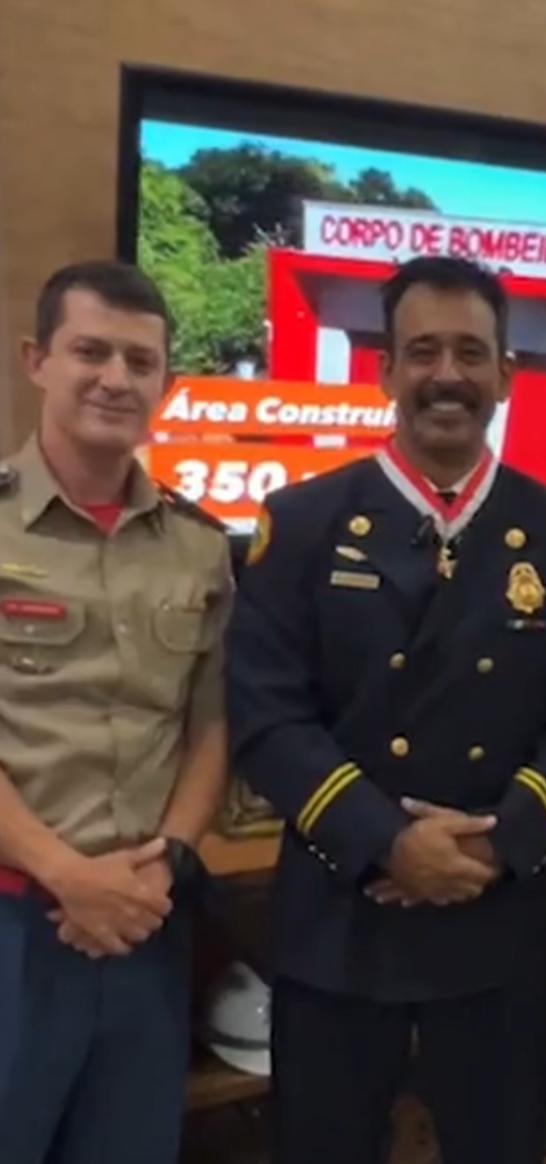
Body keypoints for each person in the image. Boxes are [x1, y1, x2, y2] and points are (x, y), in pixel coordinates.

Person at [227, 256, 546, 1164]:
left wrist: (497, 842)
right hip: (340, 920)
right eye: (422, 352)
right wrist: (387, 840)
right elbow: (266, 716)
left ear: (505, 374)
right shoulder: (302, 521)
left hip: (495, 920)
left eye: (470, 353)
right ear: (385, 371)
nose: (447, 375)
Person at [0, 260, 233, 1163]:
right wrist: (67, 872)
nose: (115, 379)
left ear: (166, 382)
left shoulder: (200, 546)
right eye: (89, 351)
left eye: (140, 361)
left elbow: (209, 726)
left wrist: (165, 863)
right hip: (19, 924)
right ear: (36, 360)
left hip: (146, 918)